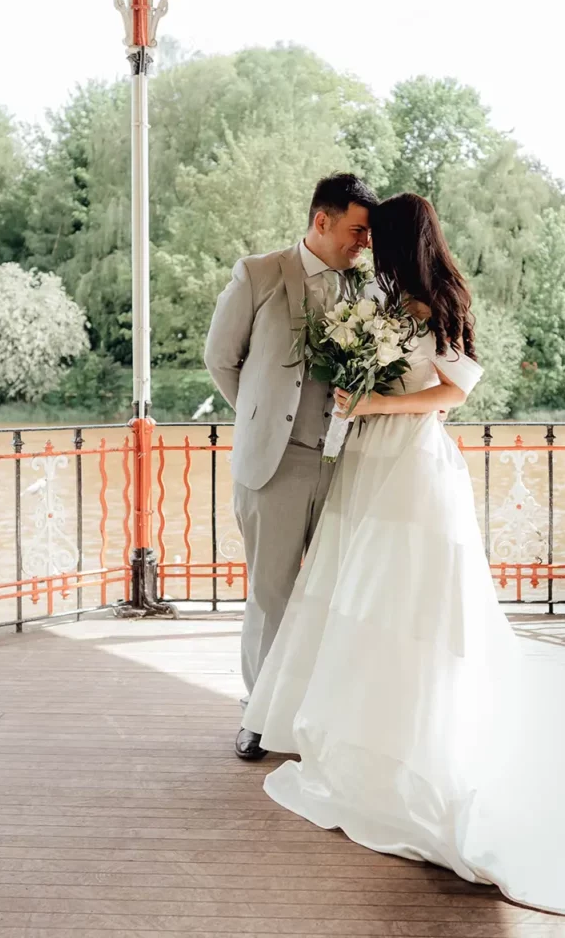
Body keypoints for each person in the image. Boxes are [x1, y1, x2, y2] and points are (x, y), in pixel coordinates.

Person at [239, 192, 565, 915]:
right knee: (358, 591)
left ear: (399, 241)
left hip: (412, 463)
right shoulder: (385, 301)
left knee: (411, 595)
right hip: (364, 462)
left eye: (376, 237)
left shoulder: (443, 299)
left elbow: (452, 391)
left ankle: (417, 732)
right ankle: (351, 720)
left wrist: (376, 404)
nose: (367, 247)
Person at [203, 172, 378, 762]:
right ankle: (260, 715)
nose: (364, 243)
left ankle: (315, 714)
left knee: (329, 592)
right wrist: (260, 417)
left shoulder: (364, 289)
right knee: (271, 592)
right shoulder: (257, 273)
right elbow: (221, 359)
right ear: (321, 221)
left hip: (341, 461)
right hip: (272, 465)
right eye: (356, 230)